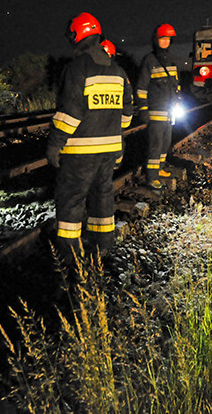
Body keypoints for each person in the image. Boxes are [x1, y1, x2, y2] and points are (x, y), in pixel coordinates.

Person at [47, 13, 133, 260]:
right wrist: (116, 136)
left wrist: (54, 144)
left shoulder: (77, 68)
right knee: (102, 196)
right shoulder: (118, 71)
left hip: (80, 152)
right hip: (110, 150)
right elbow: (126, 114)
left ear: (78, 35)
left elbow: (70, 112)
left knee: (71, 200)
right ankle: (103, 247)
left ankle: (70, 256)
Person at [136, 23, 181, 189]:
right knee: (155, 144)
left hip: (169, 111)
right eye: (163, 39)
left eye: (168, 39)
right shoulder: (149, 60)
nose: (166, 42)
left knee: (166, 142)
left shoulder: (171, 59)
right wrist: (143, 109)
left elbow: (175, 83)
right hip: (155, 111)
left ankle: (160, 169)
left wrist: (178, 97)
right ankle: (152, 177)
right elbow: (141, 87)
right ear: (156, 40)